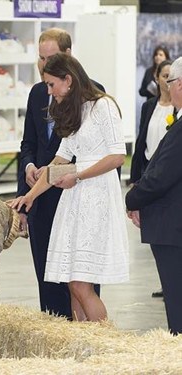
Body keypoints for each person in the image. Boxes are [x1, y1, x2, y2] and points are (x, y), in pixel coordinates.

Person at [12, 53, 129, 322]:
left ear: (69, 80)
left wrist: (79, 175)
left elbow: (117, 156)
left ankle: (105, 346)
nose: (49, 92)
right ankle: (84, 346)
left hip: (96, 195)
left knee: (80, 284)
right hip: (76, 197)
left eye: (52, 85)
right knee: (71, 283)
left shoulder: (103, 107)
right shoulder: (76, 110)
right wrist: (28, 197)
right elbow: (58, 161)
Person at [125, 56, 182, 335]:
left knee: (177, 304)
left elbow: (162, 176)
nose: (168, 88)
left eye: (171, 82)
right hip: (170, 224)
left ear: (180, 85)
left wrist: (132, 199)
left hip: (173, 227)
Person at [130, 59, 174, 299]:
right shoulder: (149, 106)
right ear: (156, 78)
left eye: (171, 76)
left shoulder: (177, 111)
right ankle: (166, 281)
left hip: (168, 172)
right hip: (149, 168)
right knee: (154, 233)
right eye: (163, 75)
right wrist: (136, 177)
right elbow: (141, 141)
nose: (167, 81)